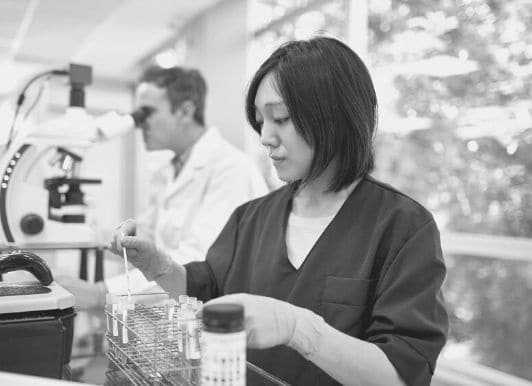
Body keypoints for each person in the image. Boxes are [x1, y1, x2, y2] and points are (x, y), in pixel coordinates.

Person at [110, 37, 448, 385]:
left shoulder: (402, 227)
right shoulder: (251, 218)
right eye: (260, 121)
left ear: (336, 114)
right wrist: (159, 266)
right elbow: (209, 288)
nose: (265, 137)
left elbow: (401, 375)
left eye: (281, 118)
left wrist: (299, 328)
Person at [58, 65, 268, 308]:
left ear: (185, 111)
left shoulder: (230, 169)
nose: (139, 124)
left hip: (218, 316)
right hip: (177, 313)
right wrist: (111, 238)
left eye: (146, 113)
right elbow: (151, 243)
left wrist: (100, 293)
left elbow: (198, 264)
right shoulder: (166, 170)